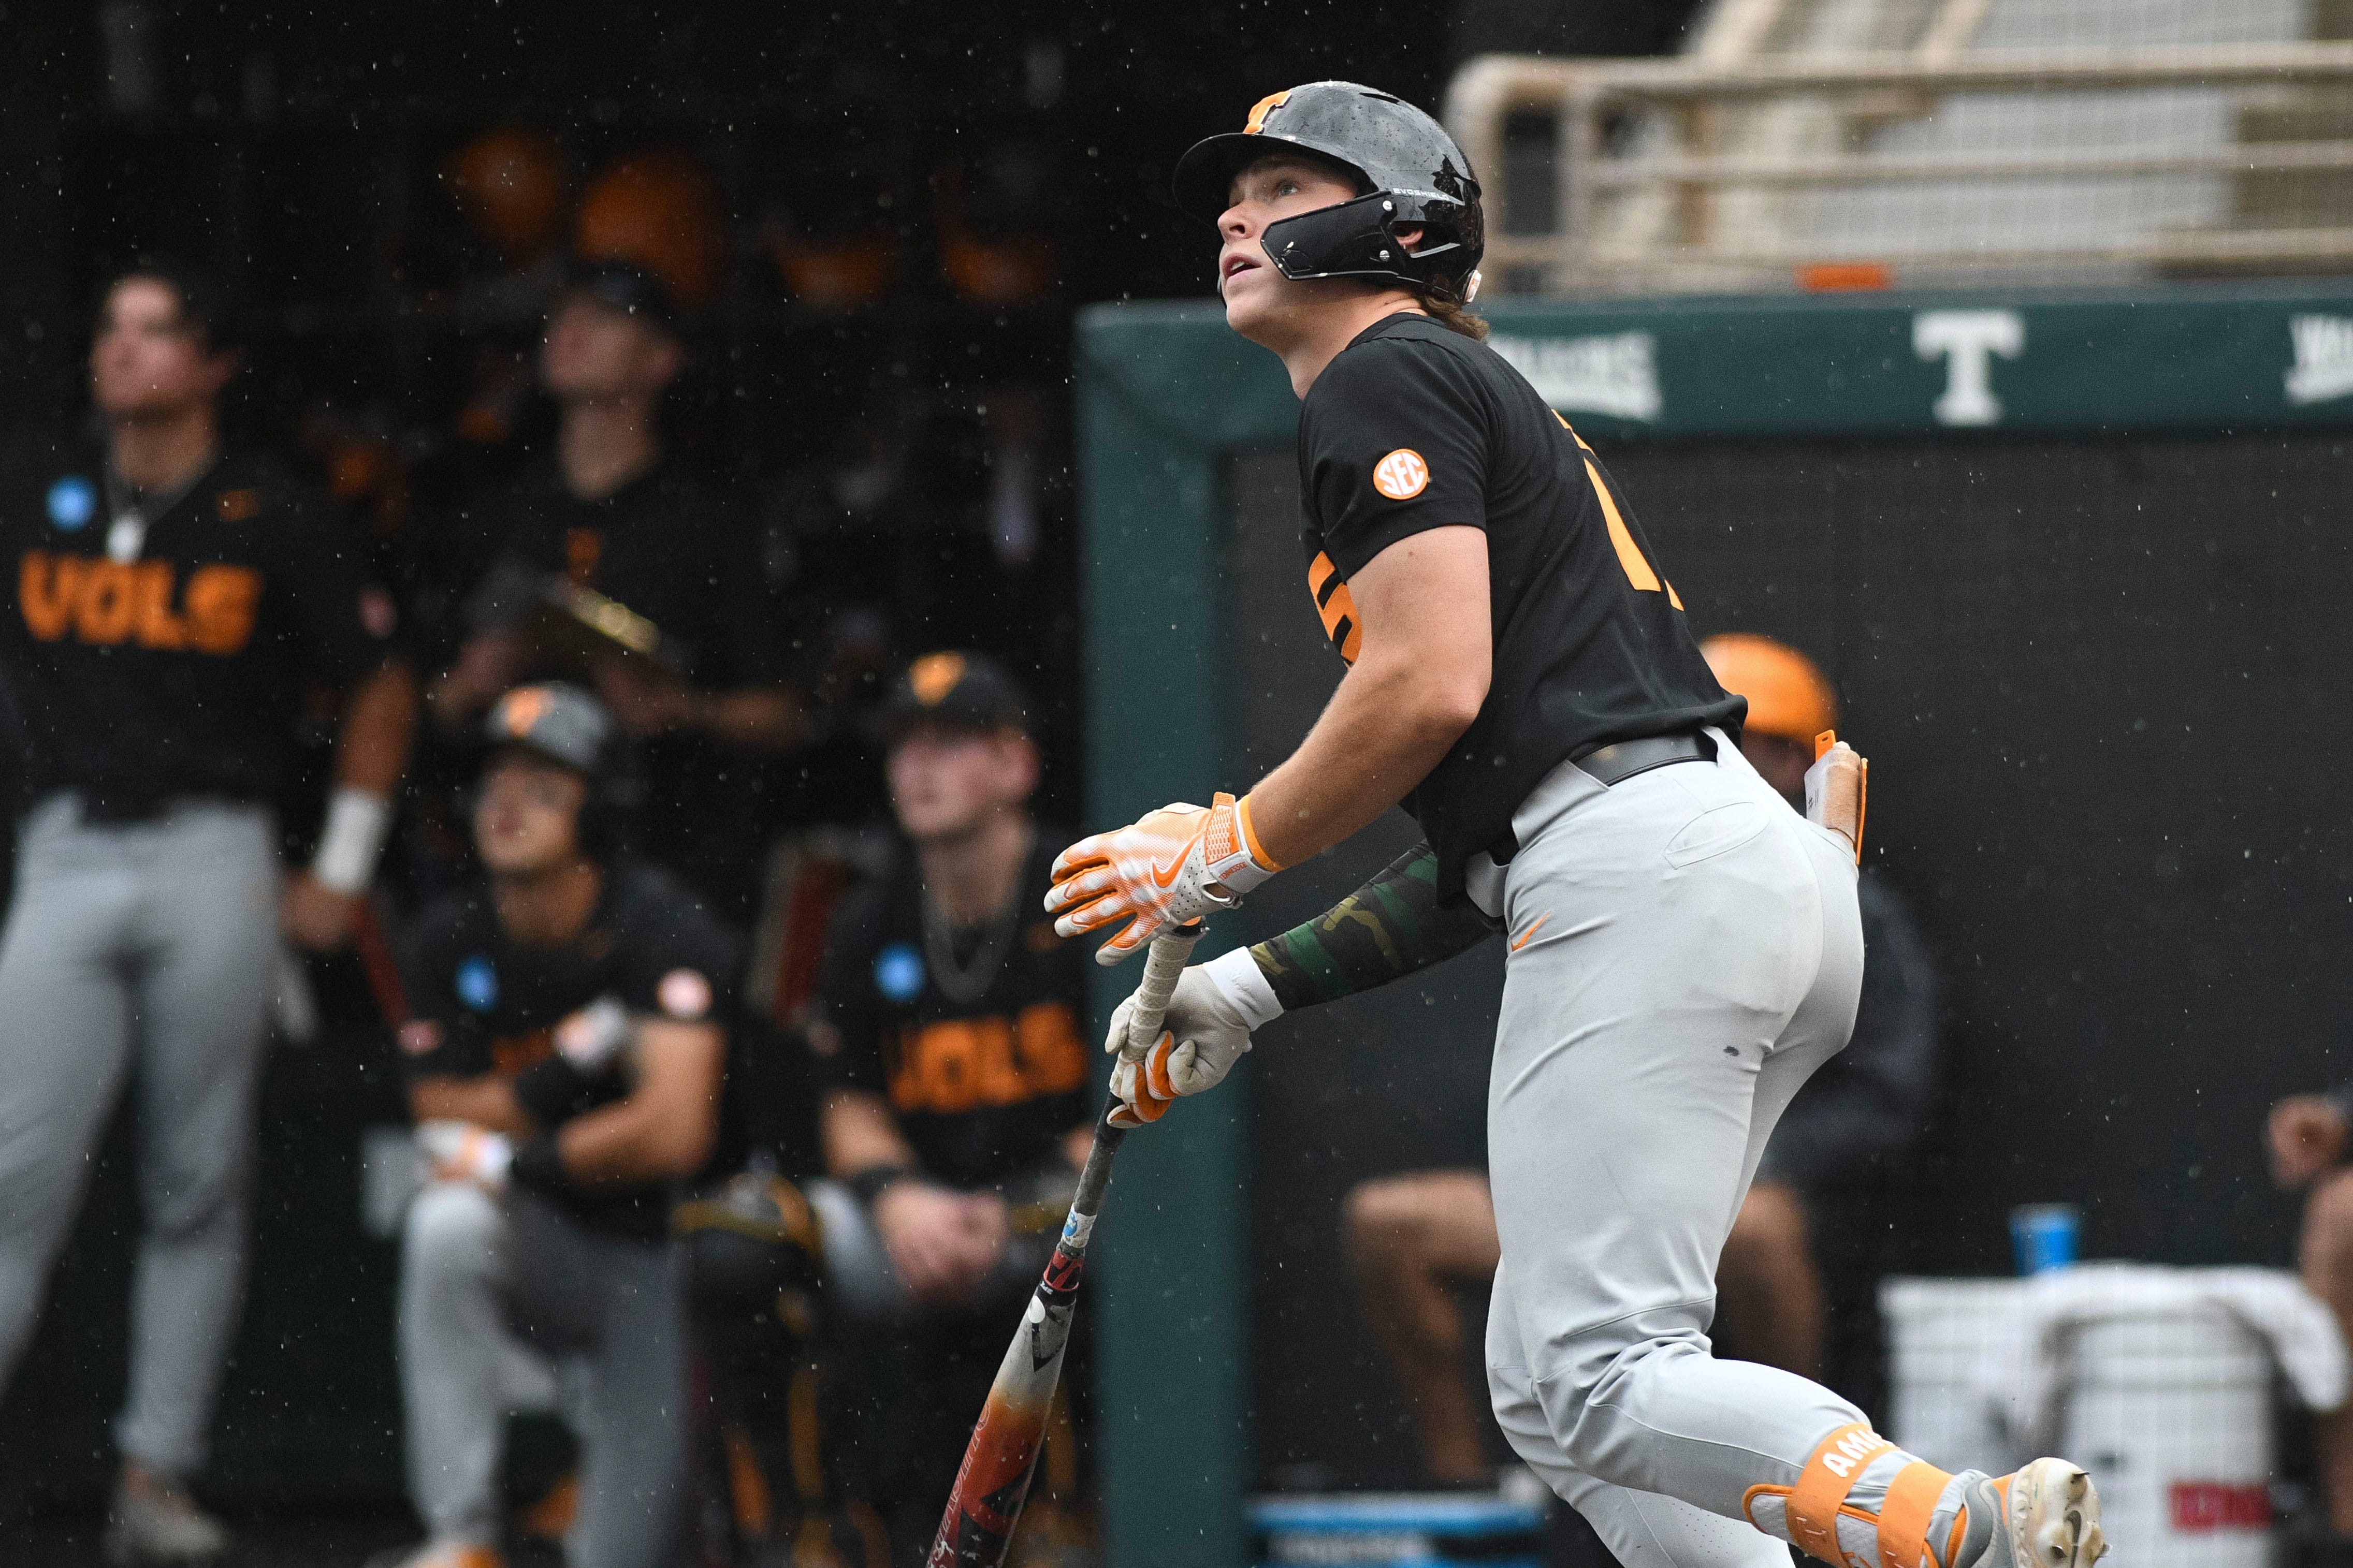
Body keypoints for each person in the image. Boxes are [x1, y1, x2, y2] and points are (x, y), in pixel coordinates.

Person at [1044, 82, 2103, 1568]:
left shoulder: (1381, 368)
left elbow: (1427, 683)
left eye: (1285, 190)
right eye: (1238, 194)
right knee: (1563, 1395)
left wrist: (1220, 850)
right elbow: (1500, 836)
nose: (1238, 214)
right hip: (1725, 862)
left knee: (1595, 1374)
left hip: (1654, 867)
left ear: (1396, 226)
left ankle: (1959, 1527)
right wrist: (1248, 982)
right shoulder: (1443, 386)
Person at [0, 259, 415, 1564]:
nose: (120, 352)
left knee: (196, 1178)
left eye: (154, 329)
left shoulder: (269, 512)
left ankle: (156, 1474)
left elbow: (382, 684)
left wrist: (341, 867)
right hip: (67, 842)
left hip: (213, 848)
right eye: (109, 327)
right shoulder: (33, 487)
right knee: (13, 1169)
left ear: (215, 360)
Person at [1341, 634, 1940, 1484]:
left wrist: (1743, 1160)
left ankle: (1799, 1481)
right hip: (1596, 1195)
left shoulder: (1847, 909)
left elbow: (1885, 1095)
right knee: (1391, 1222)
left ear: (1788, 761)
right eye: (1695, 744)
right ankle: (1474, 1498)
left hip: (1740, 1199)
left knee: (1759, 1233)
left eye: (1740, 743)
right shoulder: (1598, 874)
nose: (1710, 764)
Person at [374, 683, 733, 1568]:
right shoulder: (446, 939)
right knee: (444, 1224)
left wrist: (507, 1156)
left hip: (656, 1251)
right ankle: (462, 1532)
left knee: (618, 1555)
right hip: (540, 1238)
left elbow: (671, 1130)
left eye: (543, 784)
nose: (505, 803)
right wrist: (573, 1062)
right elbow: (435, 1110)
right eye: (495, 779)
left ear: (599, 806)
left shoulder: (661, 923)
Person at [806, 651, 1095, 1564]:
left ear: (1015, 765)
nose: (916, 767)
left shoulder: (1084, 888)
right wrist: (897, 1198)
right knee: (740, 1244)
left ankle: (1068, 1515)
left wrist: (1005, 1213)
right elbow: (846, 1101)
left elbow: (1133, 1099)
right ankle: (817, 1524)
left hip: (1055, 1201)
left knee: (1087, 1248)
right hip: (915, 1215)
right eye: (902, 745)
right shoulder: (866, 916)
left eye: (949, 743)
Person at [429, 260, 800, 921]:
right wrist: (469, 685)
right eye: (562, 315)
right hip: (502, 868)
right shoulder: (496, 511)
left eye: (604, 317)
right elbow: (419, 700)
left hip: (663, 854)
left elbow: (784, 714)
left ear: (661, 360)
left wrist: (684, 708)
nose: (569, 332)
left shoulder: (709, 523)